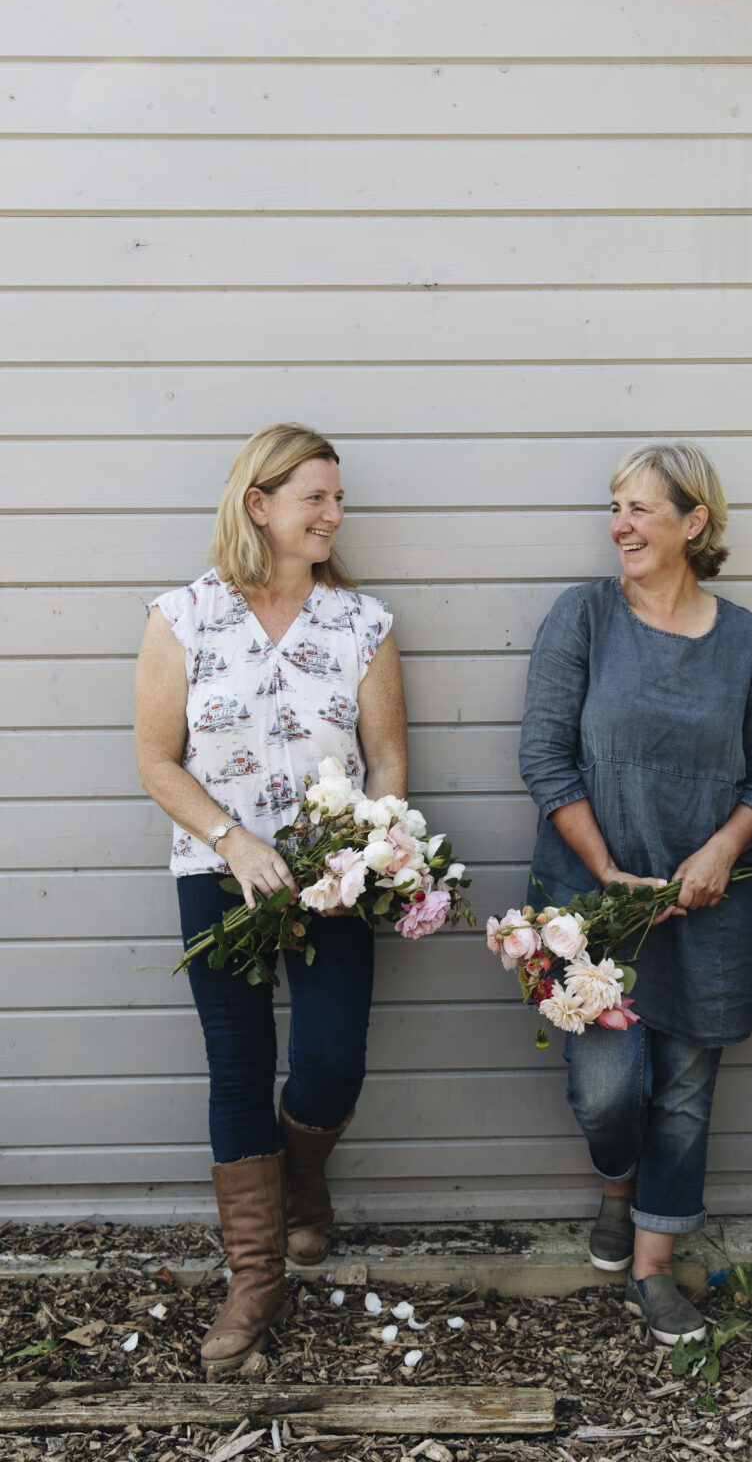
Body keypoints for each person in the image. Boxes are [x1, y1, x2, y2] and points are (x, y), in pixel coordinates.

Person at [134, 422, 406, 1374]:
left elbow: (388, 760)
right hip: (218, 874)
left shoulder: (362, 623)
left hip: (336, 883)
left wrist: (376, 846)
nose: (335, 514)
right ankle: (255, 1277)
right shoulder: (184, 618)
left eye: (338, 498)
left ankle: (301, 1177)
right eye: (316, 498)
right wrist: (233, 839)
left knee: (332, 1060)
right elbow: (154, 761)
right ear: (260, 505)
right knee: (239, 1069)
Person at [518, 440, 752, 1347]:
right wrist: (606, 873)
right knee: (608, 1093)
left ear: (694, 523)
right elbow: (544, 759)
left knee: (683, 1093)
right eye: (616, 508)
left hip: (709, 907)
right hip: (594, 900)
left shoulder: (746, 639)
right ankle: (615, 1181)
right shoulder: (585, 617)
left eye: (640, 509)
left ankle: (652, 1266)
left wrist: (721, 849)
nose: (620, 525)